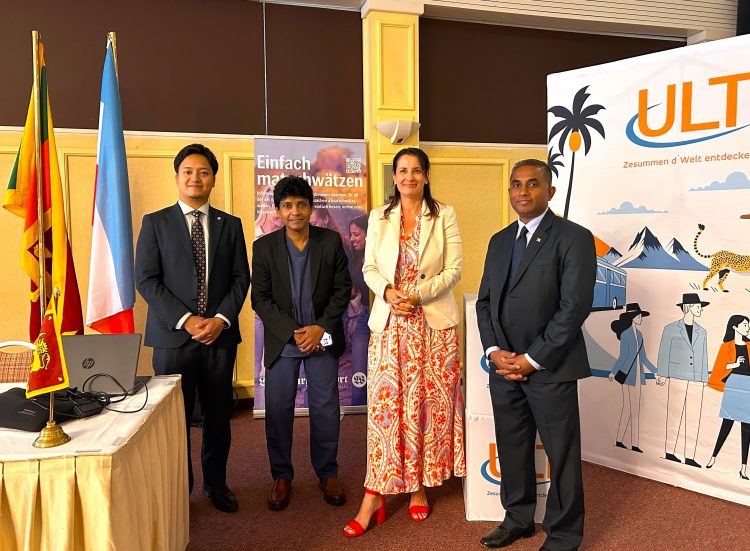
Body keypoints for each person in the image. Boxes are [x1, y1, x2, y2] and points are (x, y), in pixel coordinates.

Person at [343, 147, 465, 538]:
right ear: (394, 177)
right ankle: (374, 494)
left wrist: (418, 294)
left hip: (432, 327)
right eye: (402, 170)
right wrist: (388, 292)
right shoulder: (379, 216)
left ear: (426, 175)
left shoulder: (443, 214)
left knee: (424, 408)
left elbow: (454, 270)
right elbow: (369, 268)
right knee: (386, 411)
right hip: (390, 324)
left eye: (416, 170)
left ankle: (418, 487)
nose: (409, 176)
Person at [475, 159, 596, 551]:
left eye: (532, 184)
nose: (522, 191)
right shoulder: (499, 241)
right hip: (504, 368)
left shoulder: (574, 238)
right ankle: (517, 518)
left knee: (562, 455)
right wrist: (494, 351)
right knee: (512, 448)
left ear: (550, 191)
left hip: (550, 367)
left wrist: (532, 359)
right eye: (516, 184)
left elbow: (573, 308)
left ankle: (564, 534)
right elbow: (485, 302)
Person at [135, 143, 250, 513]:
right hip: (173, 338)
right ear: (177, 177)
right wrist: (186, 319)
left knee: (218, 415)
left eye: (203, 172)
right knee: (174, 420)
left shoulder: (230, 225)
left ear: (213, 179)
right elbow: (146, 279)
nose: (195, 178)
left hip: (219, 337)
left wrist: (220, 319)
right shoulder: (155, 223)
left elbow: (240, 279)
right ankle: (178, 489)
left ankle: (216, 484)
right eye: (188, 171)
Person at [251, 176, 352, 511]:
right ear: (278, 211)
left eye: (301, 204)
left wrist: (320, 327)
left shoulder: (330, 241)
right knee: (279, 409)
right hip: (285, 341)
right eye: (287, 205)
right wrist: (293, 331)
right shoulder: (264, 247)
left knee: (325, 408)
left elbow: (342, 289)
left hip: (322, 339)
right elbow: (260, 299)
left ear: (310, 208)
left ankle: (327, 472)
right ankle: (281, 476)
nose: (295, 211)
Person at [657, 292, 710, 467]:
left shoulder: (702, 332)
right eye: (698, 307)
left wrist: (704, 379)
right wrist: (662, 373)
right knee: (674, 414)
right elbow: (664, 352)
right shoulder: (670, 328)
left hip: (696, 378)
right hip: (676, 376)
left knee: (693, 417)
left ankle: (690, 456)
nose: (700, 309)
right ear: (688, 307)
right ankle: (670, 452)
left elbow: (703, 356)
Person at [608, 303, 662, 452]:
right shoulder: (626, 335)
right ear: (632, 317)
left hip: (638, 376)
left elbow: (643, 358)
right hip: (627, 375)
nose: (641, 318)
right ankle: (630, 443)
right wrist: (613, 371)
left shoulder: (639, 334)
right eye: (638, 316)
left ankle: (626, 441)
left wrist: (655, 371)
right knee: (630, 408)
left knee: (632, 409)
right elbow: (623, 356)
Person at [705, 314, 750, 479]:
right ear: (735, 327)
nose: (747, 328)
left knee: (747, 427)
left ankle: (743, 468)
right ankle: (713, 457)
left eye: (748, 325)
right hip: (733, 385)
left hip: (748, 386)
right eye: (745, 325)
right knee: (727, 423)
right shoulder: (726, 346)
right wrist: (734, 364)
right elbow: (719, 367)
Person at [348, 214, 370, 405]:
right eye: (351, 235)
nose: (352, 239)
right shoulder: (356, 258)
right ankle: (358, 408)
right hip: (364, 316)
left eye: (356, 234)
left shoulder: (381, 258)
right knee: (359, 369)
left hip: (383, 316)